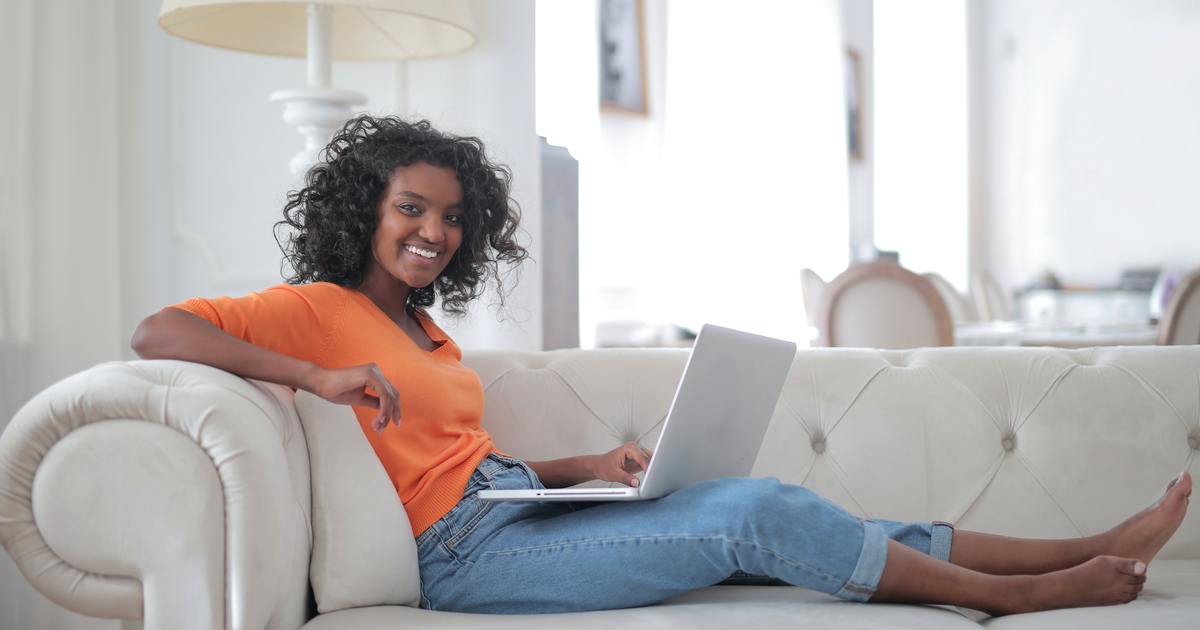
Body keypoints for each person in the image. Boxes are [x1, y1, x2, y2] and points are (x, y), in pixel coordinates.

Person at [132, 115, 1192, 616]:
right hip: (459, 560)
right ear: (365, 209)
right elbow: (159, 332)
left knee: (784, 512)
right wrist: (310, 379)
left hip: (502, 515)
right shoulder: (314, 310)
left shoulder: (425, 333)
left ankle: (1087, 541)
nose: (434, 233)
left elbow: (455, 458)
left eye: (453, 217)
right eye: (412, 209)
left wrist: (582, 463)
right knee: (753, 512)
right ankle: (1009, 597)